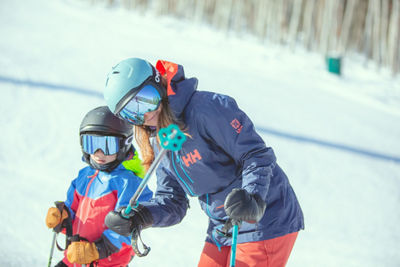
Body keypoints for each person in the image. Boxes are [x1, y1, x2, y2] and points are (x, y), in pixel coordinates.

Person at [103, 58, 304, 267]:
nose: (145, 113)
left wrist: (252, 195)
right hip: (222, 225)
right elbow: (172, 202)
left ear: (159, 85)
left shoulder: (206, 109)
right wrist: (141, 216)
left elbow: (256, 155)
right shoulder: (159, 141)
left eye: (146, 99)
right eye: (131, 113)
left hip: (264, 216)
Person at [45, 106, 153, 267]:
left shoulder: (129, 183)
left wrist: (97, 250)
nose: (99, 153)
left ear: (124, 143)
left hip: (106, 262)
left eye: (108, 145)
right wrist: (62, 217)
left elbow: (128, 227)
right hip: (75, 257)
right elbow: (73, 211)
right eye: (92, 144)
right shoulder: (84, 176)